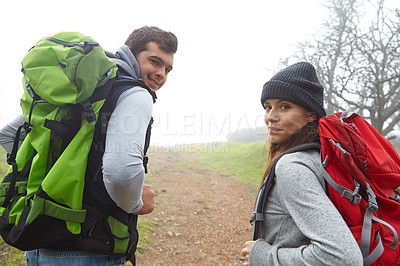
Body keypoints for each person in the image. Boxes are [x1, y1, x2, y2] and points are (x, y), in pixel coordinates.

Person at [0, 26, 178, 265]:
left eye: (167, 69)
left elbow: (8, 134)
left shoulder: (82, 90)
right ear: (131, 53)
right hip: (91, 247)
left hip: (38, 239)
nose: (161, 74)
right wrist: (134, 203)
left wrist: (53, 177)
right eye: (154, 62)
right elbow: (121, 172)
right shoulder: (135, 94)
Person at [241, 62, 363, 265]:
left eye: (284, 107)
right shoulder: (319, 157)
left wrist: (262, 255)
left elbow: (344, 258)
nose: (271, 117)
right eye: (267, 107)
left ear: (311, 115)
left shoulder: (293, 166)